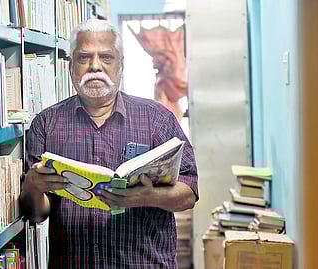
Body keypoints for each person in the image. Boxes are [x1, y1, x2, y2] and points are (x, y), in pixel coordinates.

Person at [20, 19, 199, 268]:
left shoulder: (157, 119)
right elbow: (36, 213)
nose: (95, 66)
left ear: (121, 65)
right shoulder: (46, 124)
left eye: (106, 57)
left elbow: (188, 194)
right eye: (84, 58)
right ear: (71, 66)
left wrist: (146, 197)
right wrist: (32, 186)